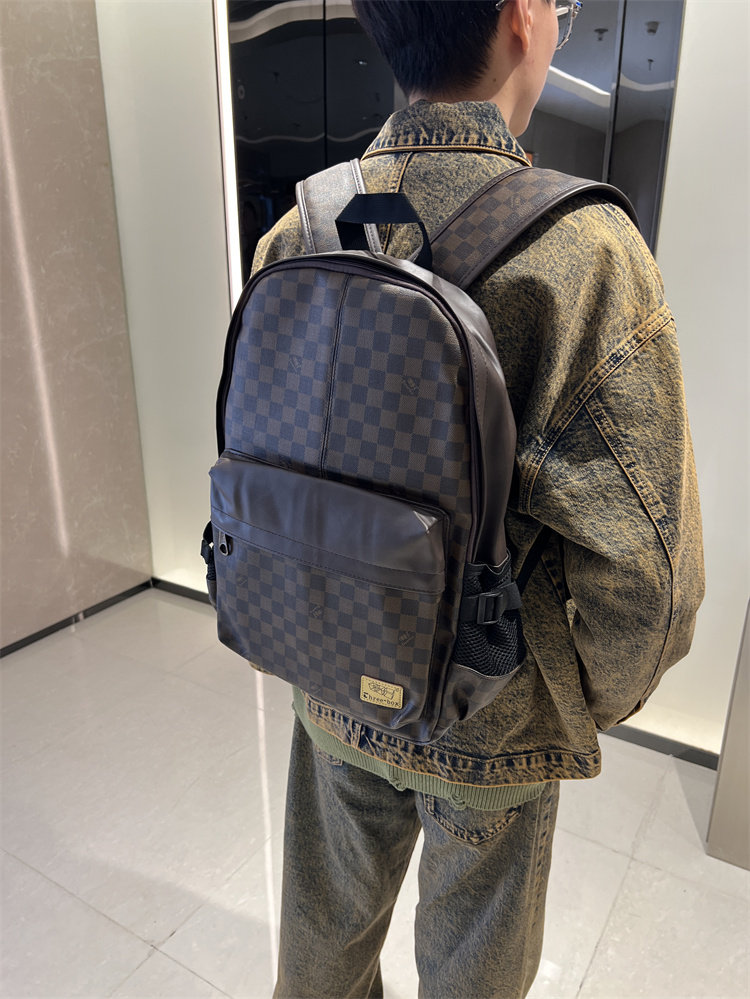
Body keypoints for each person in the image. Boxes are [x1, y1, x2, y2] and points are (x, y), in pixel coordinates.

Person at [251, 2, 705, 996]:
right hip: (492, 710)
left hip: (330, 665)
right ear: (521, 18)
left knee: (321, 951)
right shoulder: (587, 256)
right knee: (470, 975)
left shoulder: (301, 228)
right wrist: (572, 698)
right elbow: (652, 584)